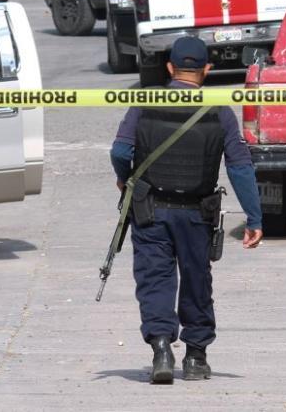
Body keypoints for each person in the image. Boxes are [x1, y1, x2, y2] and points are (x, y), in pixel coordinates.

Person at [110, 36, 263, 384]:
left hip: (150, 210)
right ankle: (195, 357)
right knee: (197, 279)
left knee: (155, 280)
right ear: (207, 69)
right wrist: (253, 217)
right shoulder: (219, 110)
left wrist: (126, 180)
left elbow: (120, 151)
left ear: (169, 68)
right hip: (197, 213)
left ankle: (162, 348)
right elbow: (239, 167)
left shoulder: (144, 103)